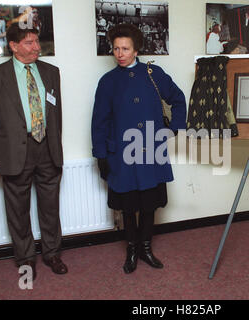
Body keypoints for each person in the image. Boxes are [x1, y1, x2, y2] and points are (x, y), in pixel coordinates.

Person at [91, 23, 187, 274]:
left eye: (125, 48)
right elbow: (99, 121)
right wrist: (101, 154)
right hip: (121, 155)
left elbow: (177, 99)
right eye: (115, 48)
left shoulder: (154, 74)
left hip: (151, 153)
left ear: (136, 50)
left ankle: (146, 248)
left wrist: (173, 128)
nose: (120, 53)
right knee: (128, 206)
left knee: (149, 203)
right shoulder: (107, 81)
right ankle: (131, 250)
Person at [0, 24, 67, 281]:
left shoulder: (51, 72)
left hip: (47, 149)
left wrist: (56, 146)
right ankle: (26, 257)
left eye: (37, 42)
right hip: (14, 151)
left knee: (50, 207)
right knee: (17, 210)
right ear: (14, 46)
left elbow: (57, 115)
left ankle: (52, 253)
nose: (37, 48)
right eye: (29, 43)